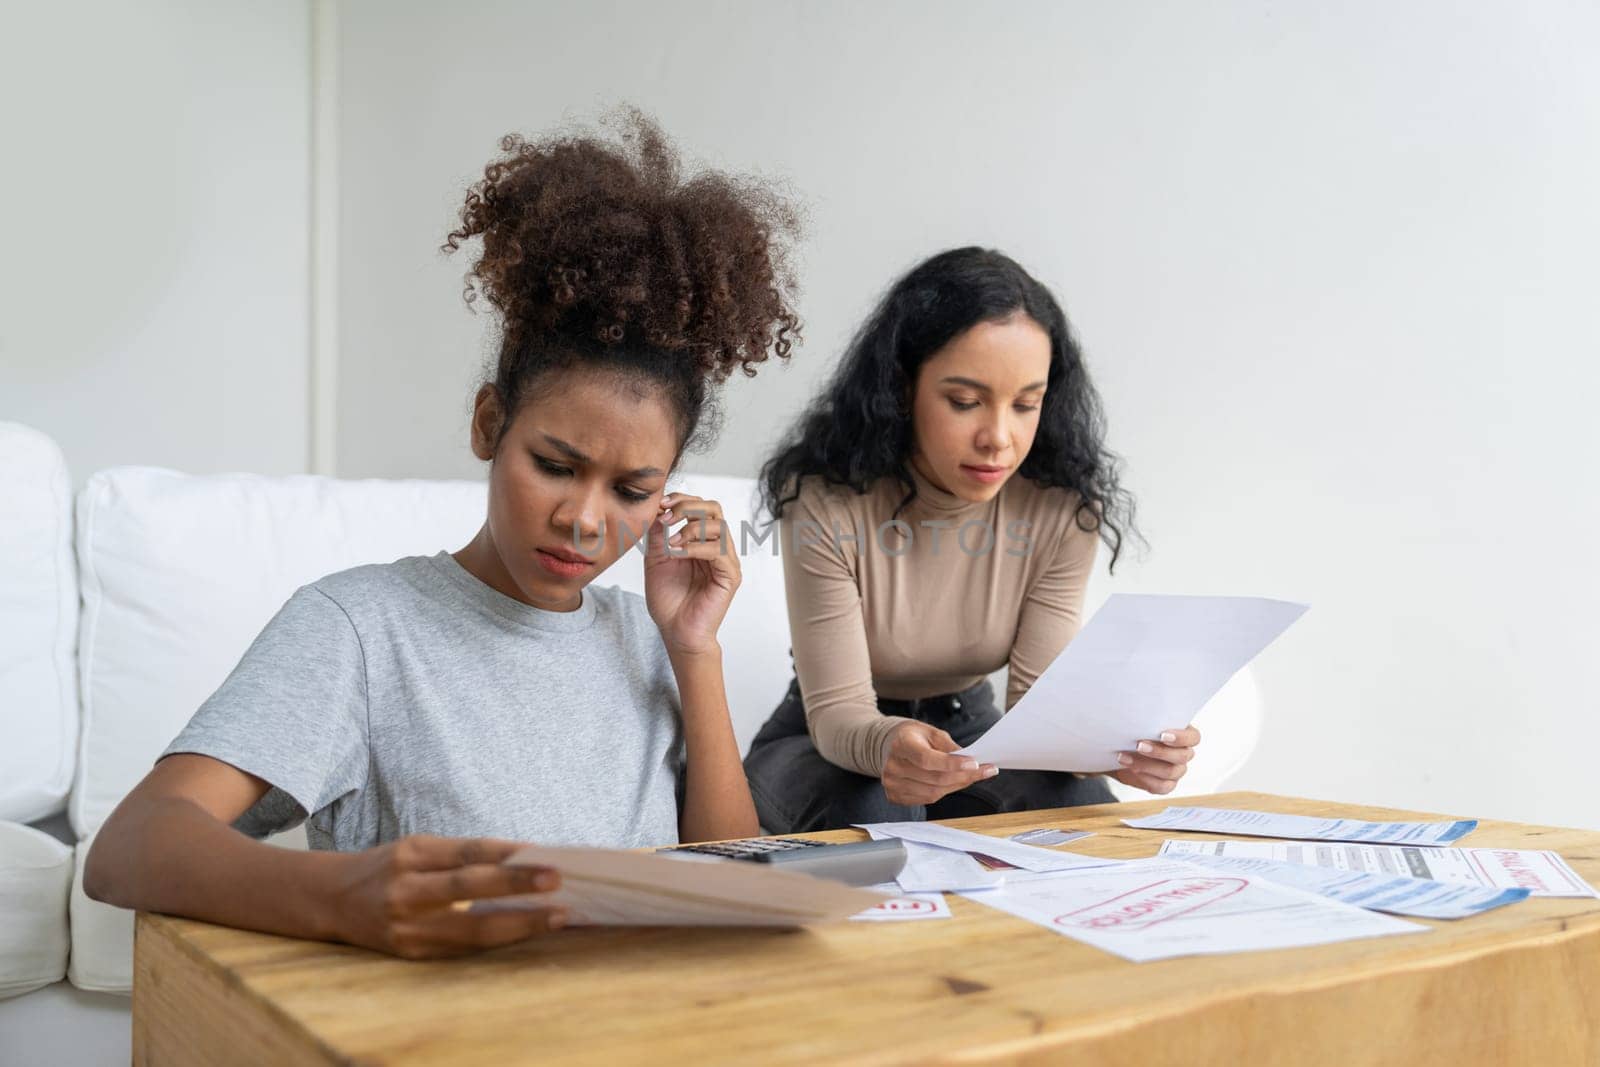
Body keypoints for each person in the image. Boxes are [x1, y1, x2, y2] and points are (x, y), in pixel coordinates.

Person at [84, 112, 801, 959]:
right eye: (555, 464)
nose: (583, 518)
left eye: (632, 490)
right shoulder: (360, 628)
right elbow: (131, 845)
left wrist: (694, 649)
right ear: (489, 423)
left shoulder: (646, 641)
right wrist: (346, 897)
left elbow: (733, 889)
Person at [745, 247, 1200, 833]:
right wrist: (892, 745)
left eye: (1025, 405)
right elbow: (838, 714)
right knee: (878, 812)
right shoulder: (823, 500)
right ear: (902, 388)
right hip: (819, 738)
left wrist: (1127, 749)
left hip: (976, 729)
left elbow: (1040, 709)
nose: (999, 438)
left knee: (1081, 807)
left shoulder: (1060, 509)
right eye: (964, 402)